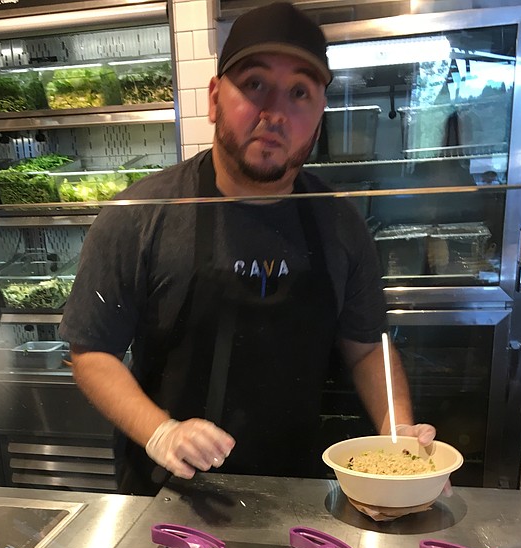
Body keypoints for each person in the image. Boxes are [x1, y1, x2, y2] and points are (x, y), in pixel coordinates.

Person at [59, 1, 438, 498]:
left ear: (319, 116)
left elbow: (368, 347)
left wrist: (398, 435)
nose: (275, 112)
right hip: (167, 498)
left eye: (300, 92)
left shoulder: (341, 223)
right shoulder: (138, 214)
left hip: (299, 493)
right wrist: (160, 431)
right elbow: (91, 351)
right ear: (215, 98)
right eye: (254, 84)